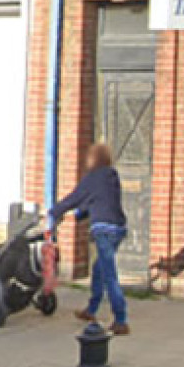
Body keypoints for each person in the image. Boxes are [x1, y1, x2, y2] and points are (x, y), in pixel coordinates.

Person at [47, 142, 129, 336]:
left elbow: (75, 197)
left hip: (103, 230)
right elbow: (99, 199)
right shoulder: (112, 176)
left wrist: (54, 212)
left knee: (109, 274)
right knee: (98, 269)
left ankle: (121, 320)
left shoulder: (92, 178)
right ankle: (91, 310)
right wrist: (79, 214)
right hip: (118, 228)